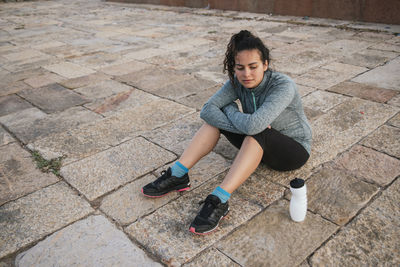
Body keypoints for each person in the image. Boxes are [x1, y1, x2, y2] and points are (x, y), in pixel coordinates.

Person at [141, 30, 312, 235]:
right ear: (234, 68)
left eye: (253, 67)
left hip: (292, 151)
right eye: (240, 68)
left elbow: (252, 127)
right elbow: (207, 110)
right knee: (216, 123)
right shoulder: (236, 82)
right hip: (256, 144)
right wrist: (247, 124)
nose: (246, 74)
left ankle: (219, 199)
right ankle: (178, 175)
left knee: (254, 130)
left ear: (265, 65)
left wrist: (230, 110)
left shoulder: (282, 85)